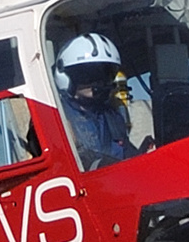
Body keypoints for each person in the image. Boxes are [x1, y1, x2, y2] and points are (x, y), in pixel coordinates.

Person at [55, 33, 133, 170]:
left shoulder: (112, 116)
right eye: (87, 74)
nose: (96, 82)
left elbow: (129, 156)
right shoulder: (55, 115)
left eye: (104, 75)